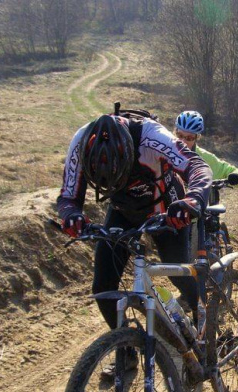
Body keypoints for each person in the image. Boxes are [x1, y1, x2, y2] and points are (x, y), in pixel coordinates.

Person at [57, 112, 213, 334]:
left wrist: (193, 198)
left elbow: (198, 167)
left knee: (178, 273)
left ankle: (205, 330)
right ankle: (125, 348)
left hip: (167, 207)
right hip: (123, 209)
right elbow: (69, 196)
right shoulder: (82, 140)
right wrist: (70, 214)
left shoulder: (152, 136)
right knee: (102, 287)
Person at [174, 110, 238, 198]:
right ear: (174, 132)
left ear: (197, 137)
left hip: (195, 207)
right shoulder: (161, 150)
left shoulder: (206, 158)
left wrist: (237, 177)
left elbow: (237, 173)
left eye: (189, 138)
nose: (183, 141)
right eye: (179, 135)